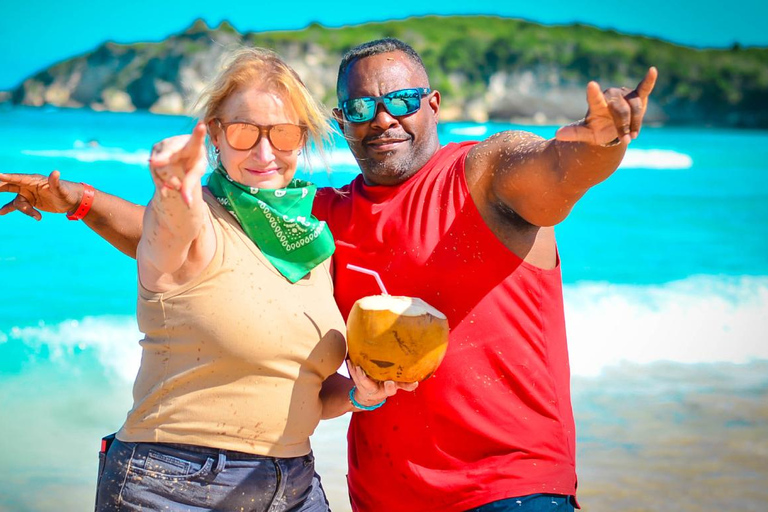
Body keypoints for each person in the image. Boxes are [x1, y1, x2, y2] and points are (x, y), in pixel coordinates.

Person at [1, 38, 657, 512]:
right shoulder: (318, 222)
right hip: (381, 497)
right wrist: (80, 202)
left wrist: (597, 144)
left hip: (508, 490)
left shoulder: (482, 174)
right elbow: (179, 240)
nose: (382, 117)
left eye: (400, 99)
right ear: (340, 124)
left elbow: (553, 169)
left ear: (431, 103)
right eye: (361, 107)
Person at [2, 47, 418, 512]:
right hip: (173, 485)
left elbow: (305, 392)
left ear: (302, 139)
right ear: (216, 135)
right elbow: (165, 226)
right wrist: (172, 183)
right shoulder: (193, 219)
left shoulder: (311, 243)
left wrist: (360, 397)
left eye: (283, 133)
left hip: (295, 484)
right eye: (244, 132)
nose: (266, 152)